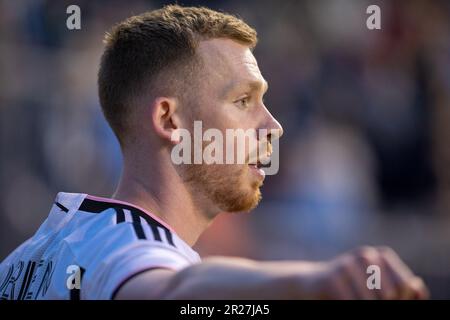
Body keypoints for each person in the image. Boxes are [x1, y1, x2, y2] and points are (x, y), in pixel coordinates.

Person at [0, 5, 428, 300]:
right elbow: (173, 291)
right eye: (243, 100)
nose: (273, 126)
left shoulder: (26, 260)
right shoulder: (130, 248)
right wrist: (314, 281)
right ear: (169, 121)